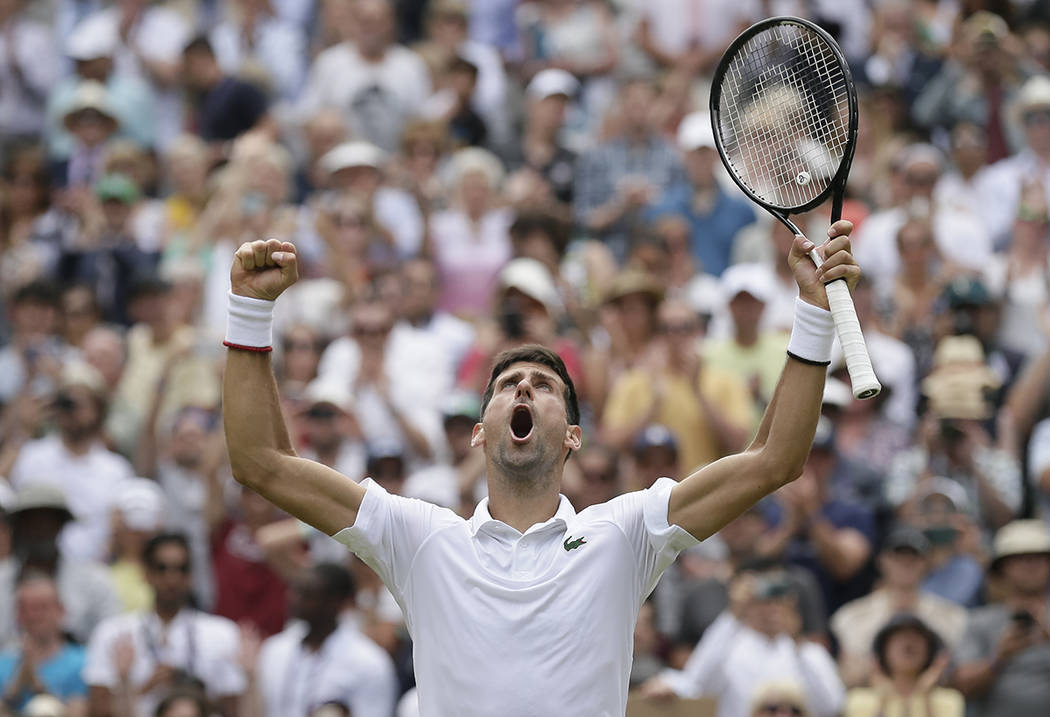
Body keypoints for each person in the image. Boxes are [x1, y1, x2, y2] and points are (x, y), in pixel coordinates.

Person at [220, 213, 860, 714]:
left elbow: (775, 459)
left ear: (575, 437)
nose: (524, 389)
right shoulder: (419, 537)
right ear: (478, 433)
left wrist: (811, 313)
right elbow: (261, 464)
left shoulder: (626, 531)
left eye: (544, 385)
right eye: (507, 384)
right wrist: (251, 310)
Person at [84, 533, 245, 717]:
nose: (172, 578)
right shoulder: (113, 632)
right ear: (146, 573)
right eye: (162, 568)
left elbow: (236, 710)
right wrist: (143, 688)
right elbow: (96, 710)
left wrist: (192, 694)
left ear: (191, 575)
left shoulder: (222, 632)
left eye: (181, 569)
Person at [248, 563, 397, 717]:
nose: (296, 600)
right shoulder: (276, 650)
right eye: (296, 591)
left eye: (308, 594)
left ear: (336, 602)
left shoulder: (368, 661)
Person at [831, 526, 967, 687]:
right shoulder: (851, 615)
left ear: (926, 562)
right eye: (898, 556)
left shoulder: (953, 616)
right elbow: (849, 678)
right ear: (882, 560)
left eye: (913, 557)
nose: (906, 563)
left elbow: (957, 678)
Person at [953, 519, 1050, 717]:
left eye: (1038, 557)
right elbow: (961, 686)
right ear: (1003, 567)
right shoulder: (980, 621)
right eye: (1020, 558)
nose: (1030, 565)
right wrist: (999, 658)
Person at [0, 574, 88, 715]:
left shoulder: (83, 662)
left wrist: (37, 684)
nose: (33, 615)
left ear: (61, 610)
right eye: (24, 608)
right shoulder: (2, 662)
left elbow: (78, 712)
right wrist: (16, 687)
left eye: (42, 607)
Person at [843, 613, 962, 717]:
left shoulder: (948, 700)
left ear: (930, 652)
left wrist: (926, 698)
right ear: (882, 652)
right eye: (898, 638)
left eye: (916, 638)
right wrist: (883, 702)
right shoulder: (858, 700)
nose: (908, 643)